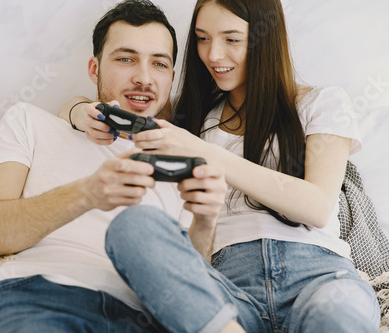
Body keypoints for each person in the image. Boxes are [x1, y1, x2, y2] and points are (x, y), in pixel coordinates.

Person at [63, 0, 381, 332]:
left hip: (318, 278)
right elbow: (74, 107)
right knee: (134, 228)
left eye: (231, 39)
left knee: (337, 318)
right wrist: (80, 114)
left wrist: (204, 151)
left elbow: (315, 206)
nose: (213, 55)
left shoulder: (322, 103)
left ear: (265, 38)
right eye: (202, 38)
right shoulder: (194, 115)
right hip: (229, 288)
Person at [0, 0, 234, 332]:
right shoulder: (29, 122)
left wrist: (206, 221)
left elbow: (192, 291)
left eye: (159, 64)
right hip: (36, 297)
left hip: (143, 314)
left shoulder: (186, 159)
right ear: (94, 68)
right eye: (126, 59)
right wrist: (87, 193)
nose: (144, 78)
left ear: (171, 78)